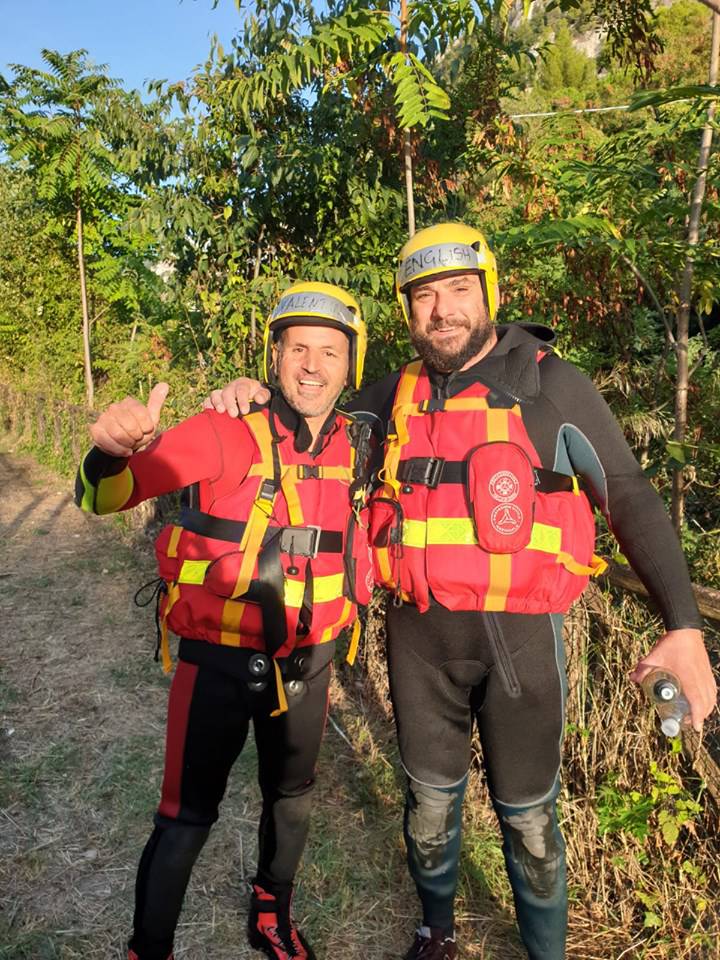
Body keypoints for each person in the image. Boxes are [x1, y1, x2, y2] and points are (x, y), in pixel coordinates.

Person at [205, 224, 717, 960]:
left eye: (457, 290)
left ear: (490, 294)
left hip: (524, 653)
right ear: (407, 308)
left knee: (531, 823)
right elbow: (299, 423)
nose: (440, 309)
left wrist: (685, 624)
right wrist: (251, 394)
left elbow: (630, 495)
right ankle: (434, 929)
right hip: (420, 644)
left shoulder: (551, 384)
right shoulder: (386, 399)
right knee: (429, 809)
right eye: (423, 295)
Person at [75, 282, 374, 960]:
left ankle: (271, 911)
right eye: (297, 347)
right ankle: (147, 949)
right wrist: (109, 451)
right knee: (184, 820)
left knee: (292, 800)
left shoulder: (359, 443)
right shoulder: (221, 429)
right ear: (274, 356)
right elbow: (106, 495)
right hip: (215, 664)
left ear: (350, 365)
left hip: (308, 665)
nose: (312, 364)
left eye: (330, 351)